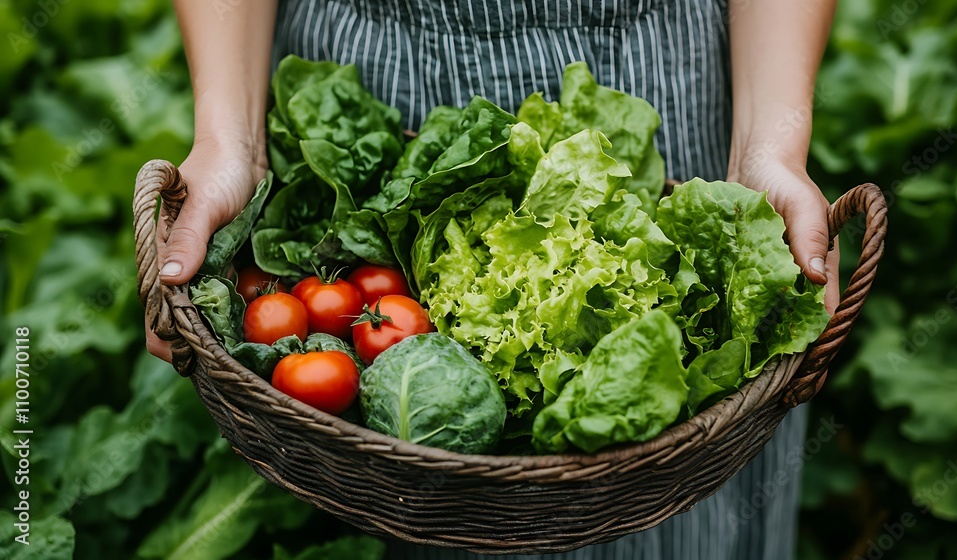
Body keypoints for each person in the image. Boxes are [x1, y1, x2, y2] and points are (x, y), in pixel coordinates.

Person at [148, 1, 840, 558]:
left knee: (667, 474)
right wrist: (228, 141)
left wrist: (769, 149)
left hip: (651, 72)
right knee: (366, 493)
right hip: (376, 54)